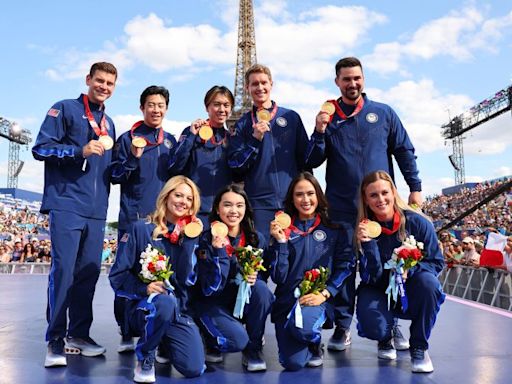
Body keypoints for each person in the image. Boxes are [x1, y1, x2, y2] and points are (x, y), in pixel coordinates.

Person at [306, 57, 422, 351]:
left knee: (387, 264)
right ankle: (343, 327)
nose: (352, 83)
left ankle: (391, 325)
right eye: (346, 79)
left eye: (357, 78)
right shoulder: (328, 118)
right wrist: (319, 131)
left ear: (364, 79)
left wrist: (415, 188)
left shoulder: (383, 113)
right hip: (342, 206)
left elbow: (404, 150)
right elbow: (312, 160)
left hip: (379, 208)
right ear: (337, 82)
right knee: (343, 266)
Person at [32, 62, 117, 368]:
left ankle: (78, 335)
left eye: (109, 83)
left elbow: (110, 171)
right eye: (100, 80)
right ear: (88, 80)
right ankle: (55, 340)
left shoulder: (110, 124)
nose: (104, 86)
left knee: (88, 275)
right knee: (64, 272)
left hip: (97, 211)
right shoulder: (64, 109)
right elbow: (41, 148)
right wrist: (78, 151)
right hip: (66, 203)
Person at [109, 176, 205, 383]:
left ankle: (164, 341)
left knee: (194, 368)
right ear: (166, 196)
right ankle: (145, 356)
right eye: (178, 195)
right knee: (164, 301)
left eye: (189, 198)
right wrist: (143, 289)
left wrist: (189, 243)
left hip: (176, 310)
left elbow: (187, 280)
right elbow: (117, 277)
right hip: (142, 307)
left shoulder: (190, 236)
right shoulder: (140, 229)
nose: (183, 202)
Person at [355, 171, 444, 373]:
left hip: (410, 287)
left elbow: (436, 262)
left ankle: (419, 346)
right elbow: (373, 275)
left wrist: (408, 271)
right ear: (366, 200)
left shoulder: (418, 223)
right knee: (373, 326)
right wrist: (367, 245)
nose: (381, 199)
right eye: (373, 195)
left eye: (384, 192)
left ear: (394, 193)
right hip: (378, 288)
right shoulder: (363, 229)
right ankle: (386, 335)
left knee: (429, 284)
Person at [111, 85, 176, 352]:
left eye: (161, 105)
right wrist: (131, 160)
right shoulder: (128, 139)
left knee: (160, 275)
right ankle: (126, 331)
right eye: (151, 104)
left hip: (162, 222)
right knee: (129, 274)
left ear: (166, 109)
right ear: (142, 107)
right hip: (133, 219)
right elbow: (114, 176)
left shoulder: (171, 141)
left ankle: (157, 327)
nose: (156, 109)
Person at [267, 172, 353, 370]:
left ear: (318, 196)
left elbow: (346, 265)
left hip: (318, 299)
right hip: (288, 302)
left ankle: (312, 339)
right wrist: (280, 243)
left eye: (310, 193)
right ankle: (305, 340)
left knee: (305, 329)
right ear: (292, 198)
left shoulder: (333, 229)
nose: (305, 199)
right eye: (299, 194)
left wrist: (325, 293)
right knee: (292, 364)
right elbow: (278, 277)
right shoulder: (282, 230)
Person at [195, 183, 273, 372]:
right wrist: (220, 253)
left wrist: (255, 277)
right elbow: (207, 288)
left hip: (241, 301)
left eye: (239, 205)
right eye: (227, 205)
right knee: (237, 341)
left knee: (262, 290)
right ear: (217, 208)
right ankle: (210, 338)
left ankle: (253, 349)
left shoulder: (256, 239)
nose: (233, 210)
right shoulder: (205, 240)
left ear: (246, 209)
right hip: (213, 302)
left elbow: (265, 273)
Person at [227, 64, 310, 243]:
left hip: (292, 201)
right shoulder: (242, 124)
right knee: (261, 256)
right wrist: (255, 139)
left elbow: (306, 160)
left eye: (263, 82)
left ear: (271, 84)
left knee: (292, 256)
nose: (260, 87)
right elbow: (236, 167)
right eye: (254, 84)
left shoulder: (291, 117)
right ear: (247, 88)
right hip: (259, 204)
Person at [168, 86, 235, 226]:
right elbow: (175, 167)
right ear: (207, 107)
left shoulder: (232, 139)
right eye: (216, 104)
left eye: (226, 105)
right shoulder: (192, 132)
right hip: (194, 210)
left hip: (221, 212)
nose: (221, 109)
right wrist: (191, 136)